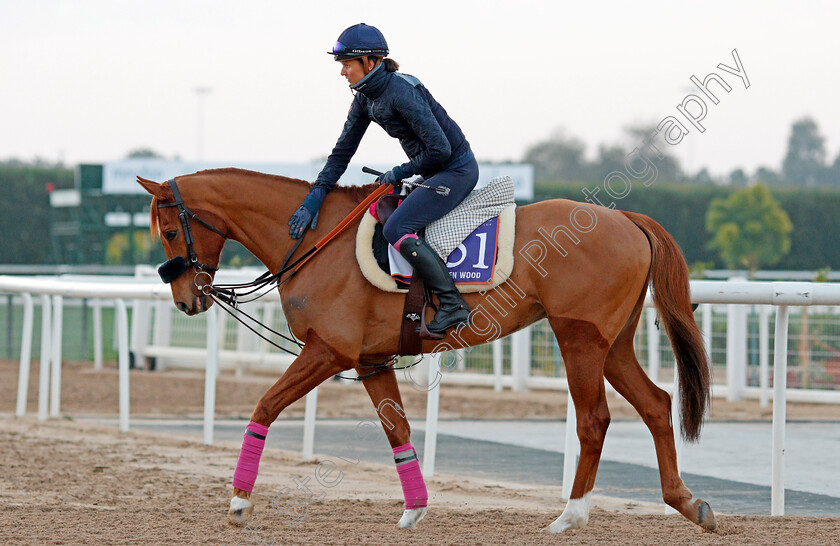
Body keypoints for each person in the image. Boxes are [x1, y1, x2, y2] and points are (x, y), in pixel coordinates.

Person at [289, 23, 478, 335]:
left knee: (396, 227)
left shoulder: (401, 92)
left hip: (455, 171)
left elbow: (441, 150)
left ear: (371, 62)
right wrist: (317, 194)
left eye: (347, 65)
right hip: (434, 171)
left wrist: (401, 171)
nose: (342, 73)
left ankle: (452, 304)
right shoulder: (365, 98)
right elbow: (342, 152)